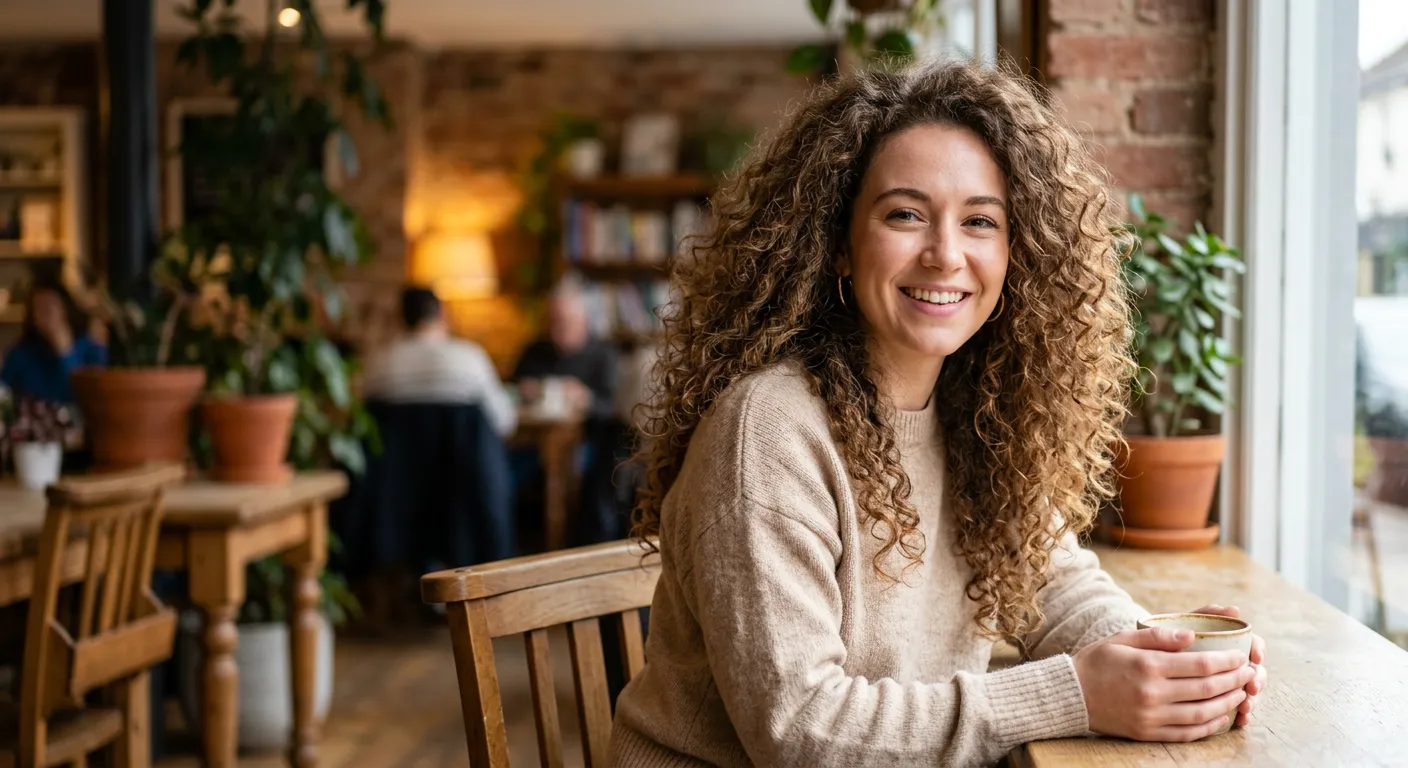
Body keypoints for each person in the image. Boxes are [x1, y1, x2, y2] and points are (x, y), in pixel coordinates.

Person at [609, 61, 1269, 766]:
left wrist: (1159, 657)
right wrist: (1078, 693)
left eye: (980, 221)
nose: (945, 254)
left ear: (1020, 253)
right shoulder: (768, 430)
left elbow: (1060, 583)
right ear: (838, 241)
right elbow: (799, 730)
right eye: (905, 214)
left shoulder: (977, 415)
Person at [362, 286, 515, 437]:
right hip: (462, 461)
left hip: (394, 460)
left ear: (399, 317)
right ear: (442, 313)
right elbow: (503, 420)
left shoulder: (377, 363)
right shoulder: (469, 358)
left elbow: (366, 425)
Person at [512, 279, 619, 420]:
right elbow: (508, 391)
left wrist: (585, 399)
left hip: (587, 435)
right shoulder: (535, 350)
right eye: (553, 321)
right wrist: (527, 390)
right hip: (535, 431)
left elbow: (613, 409)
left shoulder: (604, 354)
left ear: (583, 321)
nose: (557, 330)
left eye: (565, 322)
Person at [0, 281, 106, 405]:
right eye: (37, 308)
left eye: (49, 307)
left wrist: (66, 353)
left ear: (65, 309)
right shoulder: (22, 353)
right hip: (32, 420)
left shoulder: (90, 348)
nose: (44, 314)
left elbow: (90, 397)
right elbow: (4, 393)